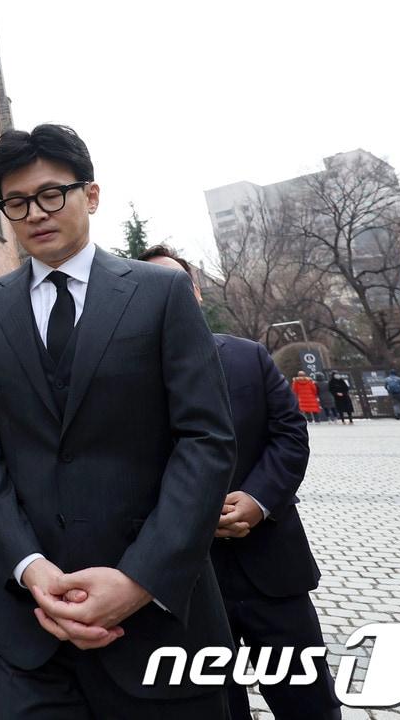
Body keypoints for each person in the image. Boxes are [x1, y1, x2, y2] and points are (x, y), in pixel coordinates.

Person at [0, 124, 235, 718]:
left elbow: (205, 439)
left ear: (92, 195)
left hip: (158, 619)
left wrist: (139, 579)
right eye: (17, 202)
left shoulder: (160, 293)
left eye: (52, 194)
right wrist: (29, 566)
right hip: (30, 623)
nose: (35, 213)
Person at [142, 245, 341, 720]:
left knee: (309, 705)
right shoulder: (123, 377)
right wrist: (189, 514)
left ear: (195, 290)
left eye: (175, 282)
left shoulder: (248, 357)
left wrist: (256, 499)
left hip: (272, 567)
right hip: (185, 582)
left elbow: (290, 437)